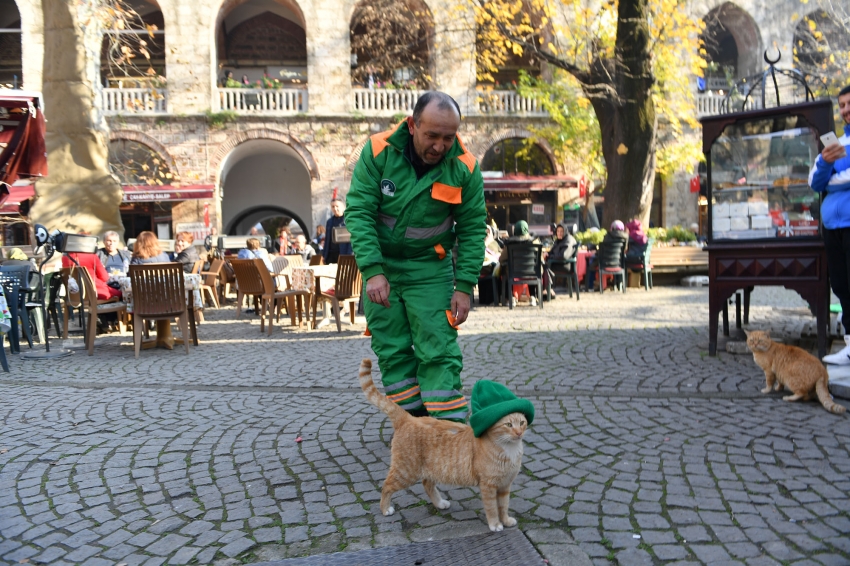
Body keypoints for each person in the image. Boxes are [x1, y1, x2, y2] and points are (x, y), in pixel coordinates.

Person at [346, 91, 486, 422]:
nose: (440, 146)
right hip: (384, 269)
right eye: (432, 136)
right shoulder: (378, 152)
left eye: (448, 137)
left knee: (438, 344)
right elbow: (360, 212)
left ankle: (447, 426)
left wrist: (464, 286)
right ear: (412, 125)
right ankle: (413, 426)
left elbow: (472, 230)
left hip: (430, 269)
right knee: (392, 349)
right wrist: (373, 271)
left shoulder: (464, 168)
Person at [812, 84, 850, 364]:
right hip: (833, 227)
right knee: (841, 284)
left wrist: (833, 176)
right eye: (842, 106)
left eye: (849, 104)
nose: (846, 110)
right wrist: (828, 164)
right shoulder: (835, 145)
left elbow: (842, 179)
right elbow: (815, 181)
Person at [499, 220, 542, 306]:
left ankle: (511, 297)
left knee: (505, 269)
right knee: (534, 268)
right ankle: (533, 297)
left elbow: (501, 259)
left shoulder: (510, 244)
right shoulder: (535, 242)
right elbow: (540, 259)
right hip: (532, 272)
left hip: (514, 274)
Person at [322, 198, 353, 264]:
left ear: (343, 207)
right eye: (333, 206)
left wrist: (349, 254)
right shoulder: (329, 222)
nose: (335, 209)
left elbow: (351, 239)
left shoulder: (348, 220)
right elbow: (327, 240)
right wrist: (324, 255)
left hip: (344, 253)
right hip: (331, 254)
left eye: (337, 206)